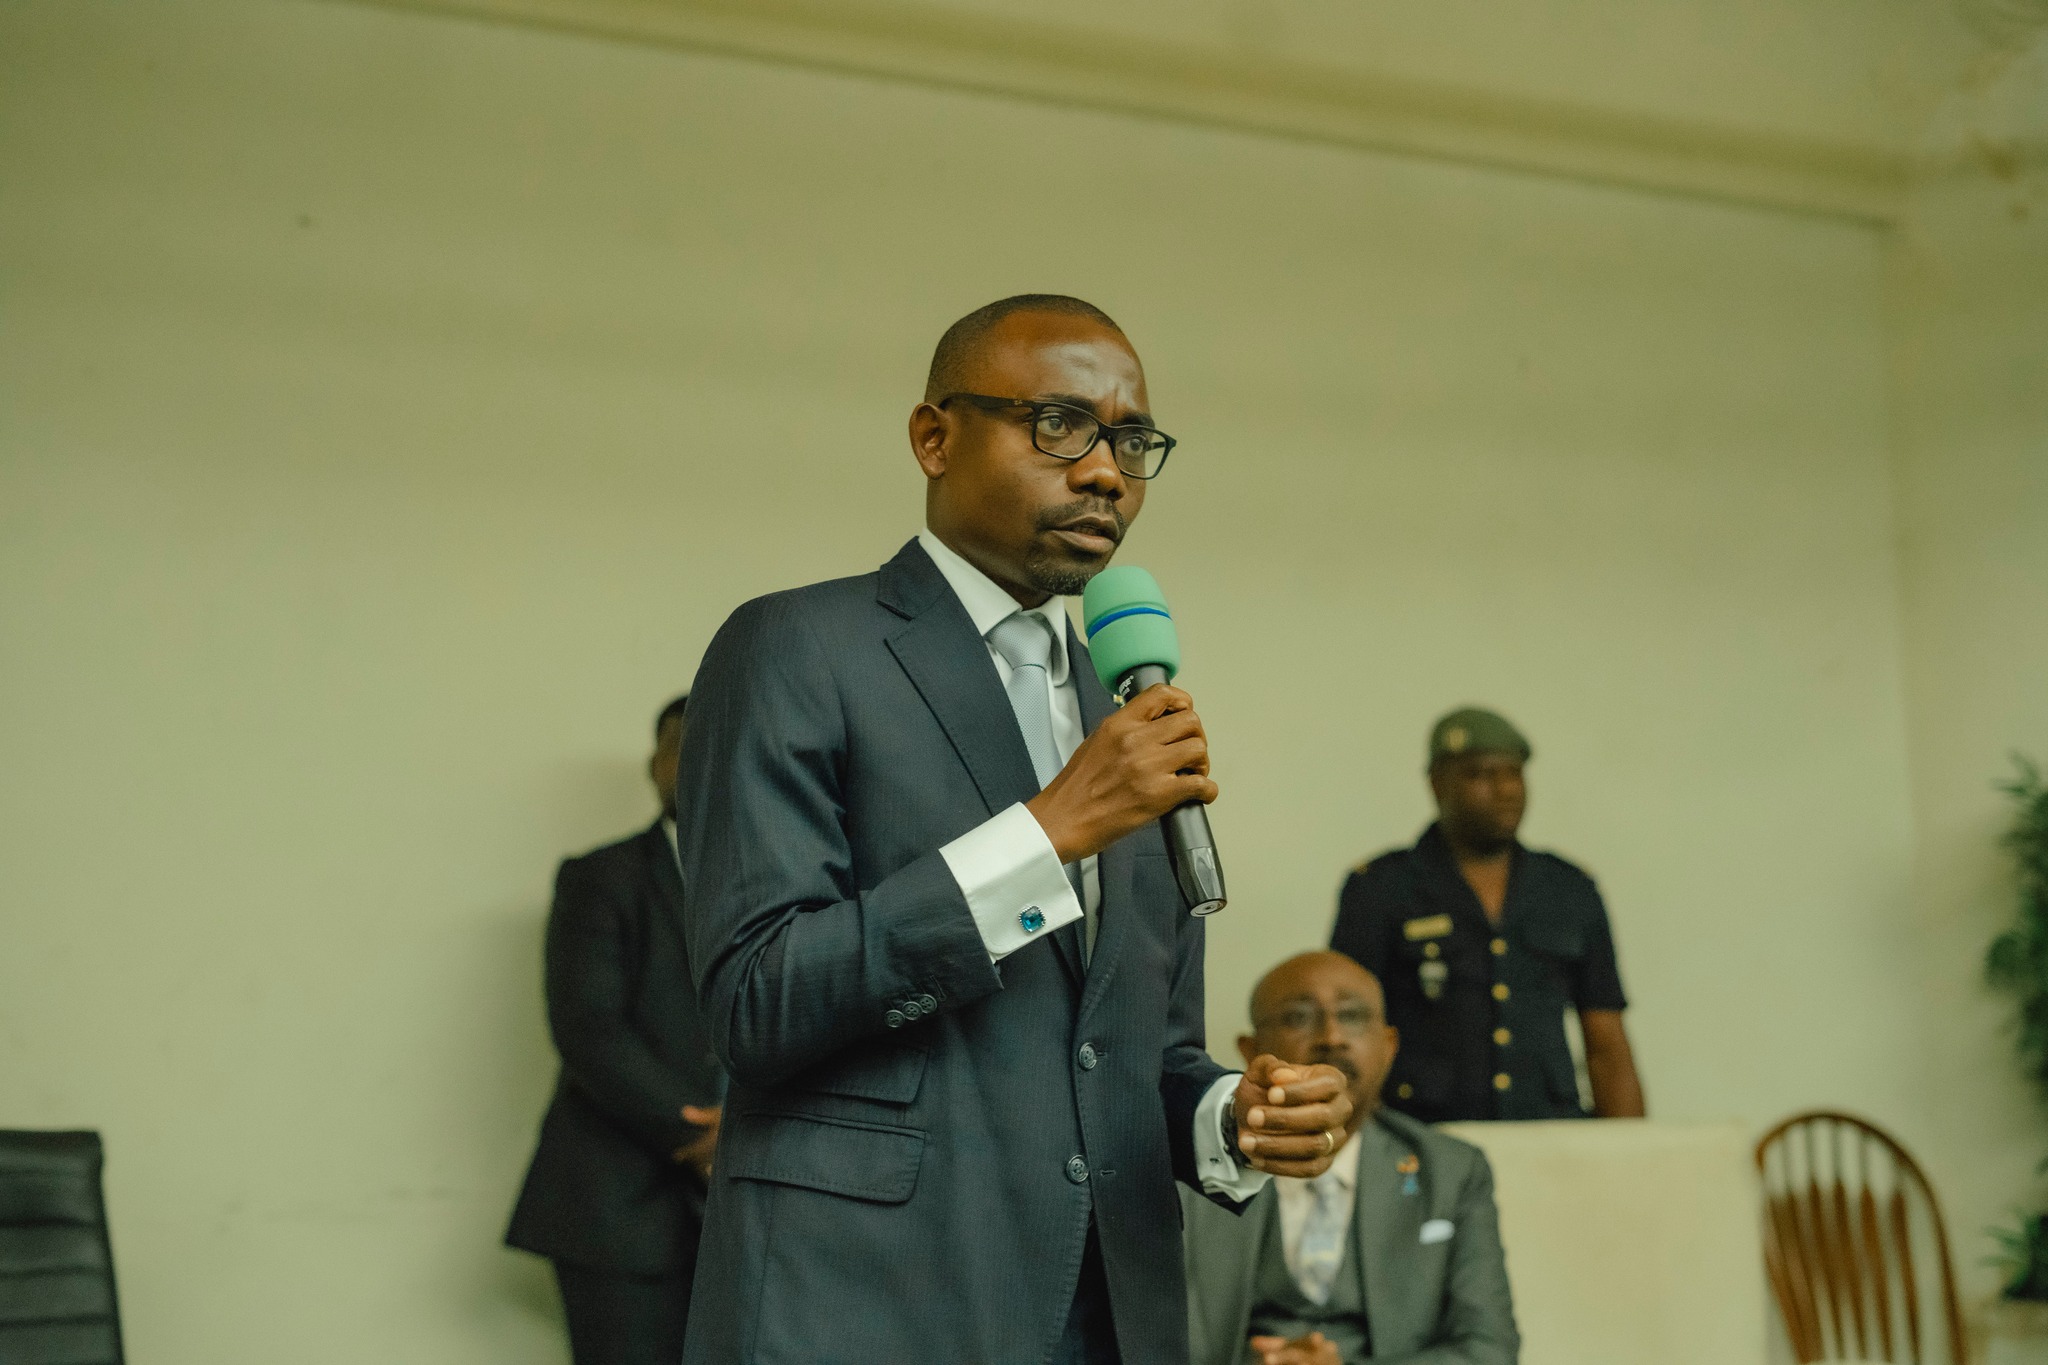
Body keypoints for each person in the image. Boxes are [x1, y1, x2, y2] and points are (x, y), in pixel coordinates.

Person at [674, 294, 1351, 1365]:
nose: (1105, 473)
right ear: (933, 437)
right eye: (1060, 425)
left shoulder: (1126, 708)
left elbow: (1137, 1055)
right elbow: (756, 1000)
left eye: (1130, 441)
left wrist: (1233, 1117)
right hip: (868, 1309)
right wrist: (1045, 835)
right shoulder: (799, 647)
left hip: (1107, 1315)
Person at [506, 695, 726, 1365]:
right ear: (655, 765)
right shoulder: (599, 878)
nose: (695, 765)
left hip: (754, 1207)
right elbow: (588, 1027)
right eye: (680, 748)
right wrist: (702, 1132)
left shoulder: (793, 880)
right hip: (620, 1206)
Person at [1182, 952, 1519, 1365]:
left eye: (1353, 1016)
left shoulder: (1452, 1171)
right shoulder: (1190, 1166)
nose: (1331, 1036)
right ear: (1251, 1052)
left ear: (1389, 1046)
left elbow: (1489, 1350)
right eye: (1298, 1017)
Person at [1330, 707, 1644, 1123]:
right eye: (1481, 774)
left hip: (1550, 1129)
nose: (1505, 789)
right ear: (1437, 783)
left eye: (1514, 773)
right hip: (1425, 1134)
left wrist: (1632, 1149)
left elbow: (1606, 1041)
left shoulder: (1568, 889)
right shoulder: (1381, 888)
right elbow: (1344, 1030)